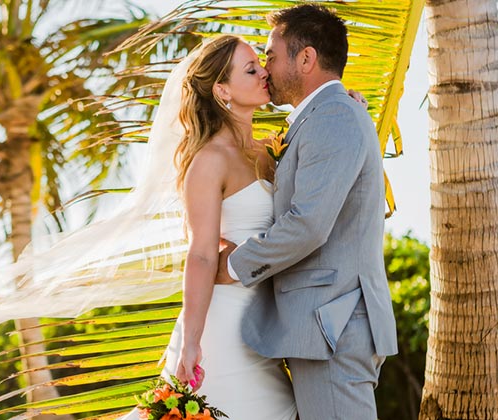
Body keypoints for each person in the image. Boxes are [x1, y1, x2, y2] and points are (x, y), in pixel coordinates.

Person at [215, 4, 398, 420]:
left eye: (271, 56)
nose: (266, 68)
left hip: (333, 326)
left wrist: (233, 265)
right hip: (323, 324)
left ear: (306, 58)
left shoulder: (333, 115)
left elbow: (308, 225)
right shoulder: (324, 116)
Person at [119, 34, 298, 420]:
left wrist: (344, 105)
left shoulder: (270, 150)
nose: (264, 72)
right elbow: (201, 253)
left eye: (260, 64)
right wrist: (191, 344)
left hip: (266, 318)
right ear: (222, 90)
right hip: (224, 325)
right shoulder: (208, 160)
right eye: (250, 69)